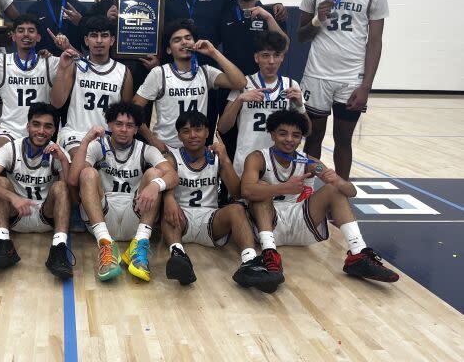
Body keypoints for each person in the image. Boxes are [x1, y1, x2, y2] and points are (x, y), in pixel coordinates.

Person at [240, 109, 399, 288]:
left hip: (299, 223)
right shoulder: (257, 158)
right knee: (260, 189)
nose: (289, 139)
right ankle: (269, 255)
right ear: (272, 134)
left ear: (301, 139)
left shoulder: (309, 162)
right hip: (267, 224)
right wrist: (283, 188)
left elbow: (351, 191)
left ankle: (358, 253)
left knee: (333, 190)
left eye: (296, 135)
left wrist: (337, 181)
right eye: (283, 134)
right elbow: (246, 191)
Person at [297, 0, 389, 180]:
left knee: (343, 139)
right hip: (317, 75)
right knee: (313, 137)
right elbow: (301, 36)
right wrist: (318, 18)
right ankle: (310, 192)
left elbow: (375, 42)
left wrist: (366, 85)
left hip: (351, 77)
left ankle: (339, 193)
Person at [162, 111, 280, 292]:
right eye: (186, 131)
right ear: (179, 136)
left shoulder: (216, 158)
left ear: (207, 132)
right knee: (167, 208)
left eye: (198, 130)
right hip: (181, 218)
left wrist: (225, 159)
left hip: (210, 218)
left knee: (237, 209)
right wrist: (169, 198)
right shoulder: (172, 157)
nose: (192, 135)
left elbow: (236, 192)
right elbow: (165, 184)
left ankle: (249, 262)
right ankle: (178, 255)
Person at [67, 102, 178, 282]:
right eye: (119, 124)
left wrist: (155, 185)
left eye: (129, 125)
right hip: (102, 215)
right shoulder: (97, 146)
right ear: (110, 125)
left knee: (155, 174)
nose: (124, 129)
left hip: (134, 217)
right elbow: (73, 179)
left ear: (136, 129)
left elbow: (173, 175)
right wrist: (86, 141)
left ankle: (140, 244)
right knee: (87, 173)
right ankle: (105, 245)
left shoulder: (146, 150)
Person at [0, 102, 74, 280]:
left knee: (60, 187)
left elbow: (70, 194)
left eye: (48, 126)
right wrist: (13, 197)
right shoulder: (10, 148)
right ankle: (3, 243)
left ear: (54, 130)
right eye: (36, 124)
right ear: (27, 125)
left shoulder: (58, 153)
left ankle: (59, 249)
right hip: (16, 214)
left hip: (46, 216)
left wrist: (62, 161)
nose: (41, 131)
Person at [133, 19, 246, 152]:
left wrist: (213, 52)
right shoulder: (160, 73)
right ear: (169, 50)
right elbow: (134, 108)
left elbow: (240, 82)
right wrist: (152, 140)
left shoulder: (206, 72)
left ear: (195, 43)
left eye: (188, 38)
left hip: (196, 149)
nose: (184, 42)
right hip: (167, 148)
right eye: (177, 40)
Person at [218, 31, 308, 176]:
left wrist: (300, 105)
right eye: (266, 55)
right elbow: (222, 127)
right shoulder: (244, 83)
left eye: (276, 55)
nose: (271, 61)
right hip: (246, 160)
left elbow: (308, 131)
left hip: (279, 161)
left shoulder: (291, 85)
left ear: (282, 57)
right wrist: (239, 100)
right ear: (256, 57)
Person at [0, 14, 61, 158]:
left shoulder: (49, 62)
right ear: (13, 36)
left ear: (38, 37)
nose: (26, 34)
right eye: (21, 30)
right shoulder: (1, 61)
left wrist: (66, 48)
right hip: (10, 130)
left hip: (41, 129)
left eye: (31, 30)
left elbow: (79, 65)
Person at [51, 16, 133, 159]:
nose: (99, 40)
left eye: (104, 36)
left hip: (108, 137)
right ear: (86, 40)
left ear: (112, 40)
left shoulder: (123, 72)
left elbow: (127, 113)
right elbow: (56, 103)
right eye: (94, 36)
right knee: (85, 164)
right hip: (76, 134)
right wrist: (61, 70)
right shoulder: (75, 66)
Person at [83, 0, 158, 92]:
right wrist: (104, 19)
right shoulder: (103, 3)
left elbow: (165, 38)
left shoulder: (156, 5)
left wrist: (158, 63)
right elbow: (83, 37)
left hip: (143, 78)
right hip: (105, 79)